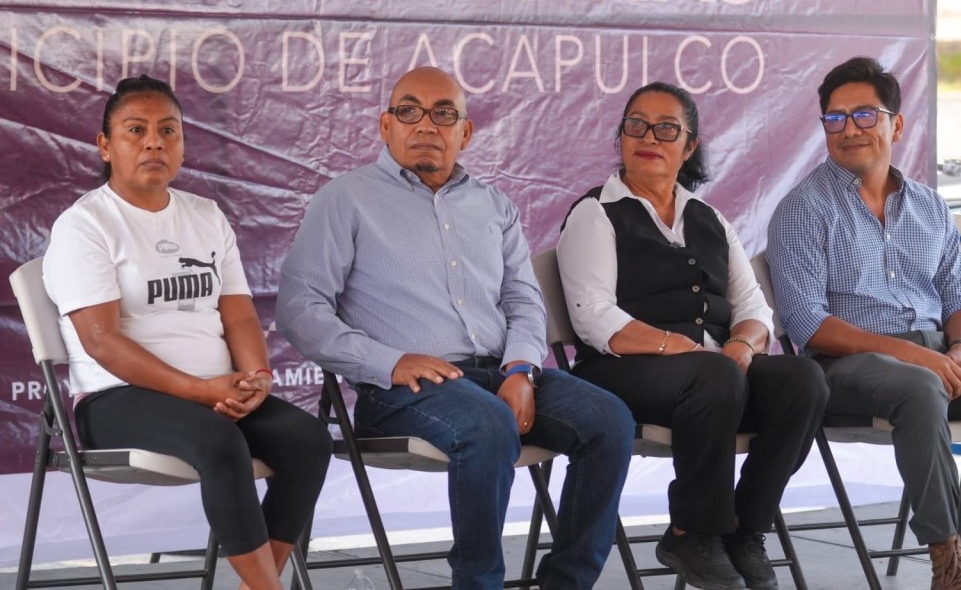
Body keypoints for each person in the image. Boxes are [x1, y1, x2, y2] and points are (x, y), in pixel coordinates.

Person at [275, 66, 635, 590]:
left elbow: (523, 299)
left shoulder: (493, 205)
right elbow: (299, 308)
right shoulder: (345, 200)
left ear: (465, 132)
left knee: (611, 420)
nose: (426, 124)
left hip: (500, 374)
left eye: (444, 114)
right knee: (487, 425)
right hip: (401, 388)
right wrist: (390, 362)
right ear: (385, 126)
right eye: (409, 111)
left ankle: (567, 583)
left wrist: (522, 368)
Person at [42, 76, 332, 590]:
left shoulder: (205, 215)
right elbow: (101, 341)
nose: (154, 142)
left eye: (168, 130)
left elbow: (239, 315)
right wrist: (198, 390)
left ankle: (256, 586)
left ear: (182, 144)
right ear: (106, 146)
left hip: (213, 394)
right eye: (136, 130)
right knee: (220, 441)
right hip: (116, 400)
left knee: (307, 441)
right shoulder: (85, 225)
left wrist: (257, 377)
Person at [556, 81, 828, 590]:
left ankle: (745, 528)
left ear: (690, 146)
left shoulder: (710, 218)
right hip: (620, 372)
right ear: (620, 137)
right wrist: (679, 348)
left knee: (803, 379)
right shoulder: (595, 213)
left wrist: (741, 345)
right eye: (636, 125)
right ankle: (692, 531)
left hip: (712, 377)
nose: (648, 137)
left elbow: (754, 308)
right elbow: (592, 315)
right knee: (713, 374)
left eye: (666, 128)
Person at [767, 56, 961, 590]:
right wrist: (921, 357)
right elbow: (809, 323)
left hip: (940, 360)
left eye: (865, 114)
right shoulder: (802, 210)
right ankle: (947, 562)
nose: (850, 129)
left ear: (896, 124)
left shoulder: (930, 206)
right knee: (918, 386)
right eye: (835, 118)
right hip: (847, 367)